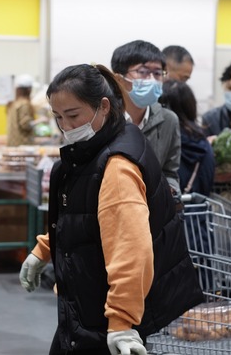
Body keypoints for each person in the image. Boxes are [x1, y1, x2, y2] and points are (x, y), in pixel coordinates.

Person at [18, 64, 203, 355]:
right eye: (58, 118)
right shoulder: (100, 145)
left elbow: (131, 249)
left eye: (73, 115)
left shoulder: (116, 167)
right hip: (88, 303)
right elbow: (82, 213)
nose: (66, 126)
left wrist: (121, 321)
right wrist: (44, 248)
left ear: (103, 107)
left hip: (104, 313)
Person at [110, 40, 181, 193]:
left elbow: (170, 172)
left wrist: (171, 189)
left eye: (157, 73)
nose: (152, 80)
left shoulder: (169, 120)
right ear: (119, 79)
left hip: (152, 210)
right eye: (143, 72)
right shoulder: (104, 118)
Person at [159, 80, 215, 196]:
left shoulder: (159, 138)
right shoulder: (203, 143)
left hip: (166, 210)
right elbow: (207, 182)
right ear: (191, 106)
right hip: (198, 210)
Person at [6, 74, 43, 146]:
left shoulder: (13, 103)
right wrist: (40, 120)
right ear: (29, 90)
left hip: (13, 143)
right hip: (23, 144)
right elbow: (26, 125)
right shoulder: (24, 104)